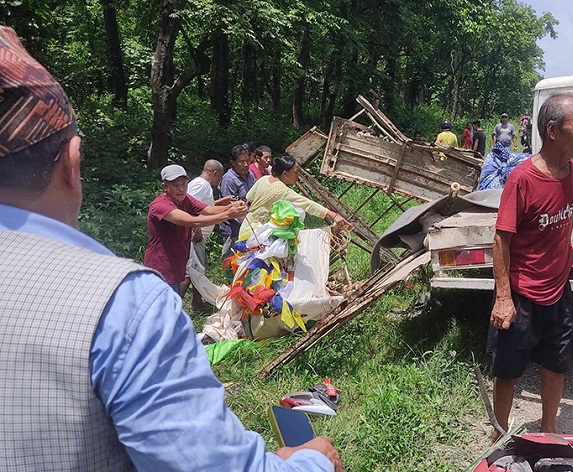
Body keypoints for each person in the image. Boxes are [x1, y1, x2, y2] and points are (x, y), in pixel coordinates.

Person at [0, 26, 342, 471]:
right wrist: (310, 463)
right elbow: (198, 218)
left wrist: (225, 206)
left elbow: (206, 205)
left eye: (185, 182)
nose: (183, 187)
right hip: (174, 265)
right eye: (177, 182)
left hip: (213, 253)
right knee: (191, 300)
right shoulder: (125, 303)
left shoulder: (204, 194)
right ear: (72, 163)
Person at [488, 94, 573, 437]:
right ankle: (498, 436)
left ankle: (548, 433)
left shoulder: (572, 170)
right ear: (552, 131)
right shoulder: (522, 179)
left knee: (555, 365)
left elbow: (566, 222)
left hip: (559, 290)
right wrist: (503, 297)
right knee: (508, 371)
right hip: (522, 294)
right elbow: (501, 239)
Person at [144, 164, 247, 295]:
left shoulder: (186, 199)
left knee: (173, 303)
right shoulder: (160, 205)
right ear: (165, 187)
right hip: (161, 265)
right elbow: (193, 221)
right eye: (176, 186)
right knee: (163, 307)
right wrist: (229, 214)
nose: (181, 189)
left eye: (184, 184)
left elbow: (208, 210)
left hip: (177, 262)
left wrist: (232, 206)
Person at [240, 154, 350, 238]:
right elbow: (307, 204)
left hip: (246, 226)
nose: (297, 176)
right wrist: (334, 215)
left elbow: (249, 197)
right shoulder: (283, 191)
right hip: (259, 234)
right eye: (296, 172)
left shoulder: (264, 179)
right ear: (285, 174)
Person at [185, 159, 231, 308]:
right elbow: (188, 208)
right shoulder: (201, 185)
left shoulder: (201, 185)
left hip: (197, 236)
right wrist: (196, 229)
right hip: (194, 235)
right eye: (220, 176)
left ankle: (197, 302)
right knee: (189, 273)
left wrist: (222, 202)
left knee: (198, 270)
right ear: (216, 173)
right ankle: (173, 306)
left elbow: (201, 206)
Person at [220, 144, 256, 259]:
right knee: (231, 258)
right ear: (233, 163)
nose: (245, 165)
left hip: (249, 223)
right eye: (241, 162)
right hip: (233, 227)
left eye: (247, 161)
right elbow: (230, 206)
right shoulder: (229, 179)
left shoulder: (250, 175)